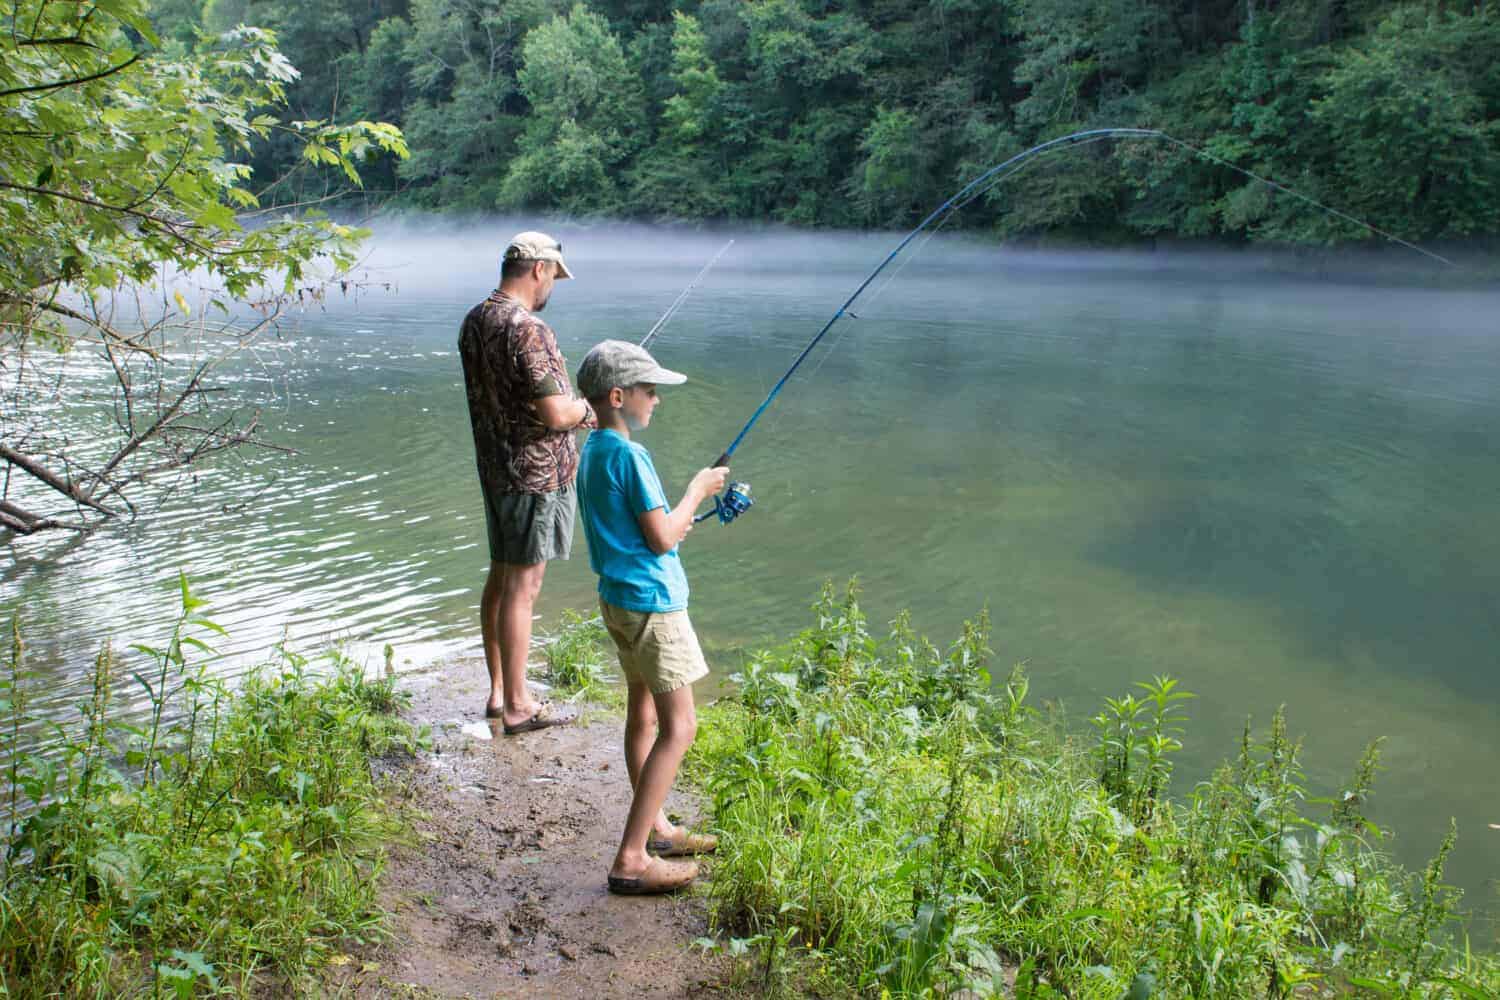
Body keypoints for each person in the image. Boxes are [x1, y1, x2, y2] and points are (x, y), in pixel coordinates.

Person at [574, 340, 728, 894]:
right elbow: (662, 536)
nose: (657, 400)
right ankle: (632, 857)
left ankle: (658, 828)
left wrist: (678, 516)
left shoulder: (591, 452)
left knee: (642, 716)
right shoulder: (630, 456)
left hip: (618, 600)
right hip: (652, 607)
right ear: (619, 396)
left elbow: (639, 531)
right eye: (650, 390)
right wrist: (697, 490)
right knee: (680, 726)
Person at [458, 231, 595, 734]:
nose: (552, 287)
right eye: (554, 276)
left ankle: (498, 690)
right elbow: (557, 412)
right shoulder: (528, 328)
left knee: (500, 576)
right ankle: (517, 704)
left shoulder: (477, 319)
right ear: (539, 269)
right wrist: (590, 408)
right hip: (535, 477)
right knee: (523, 584)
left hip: (495, 469)